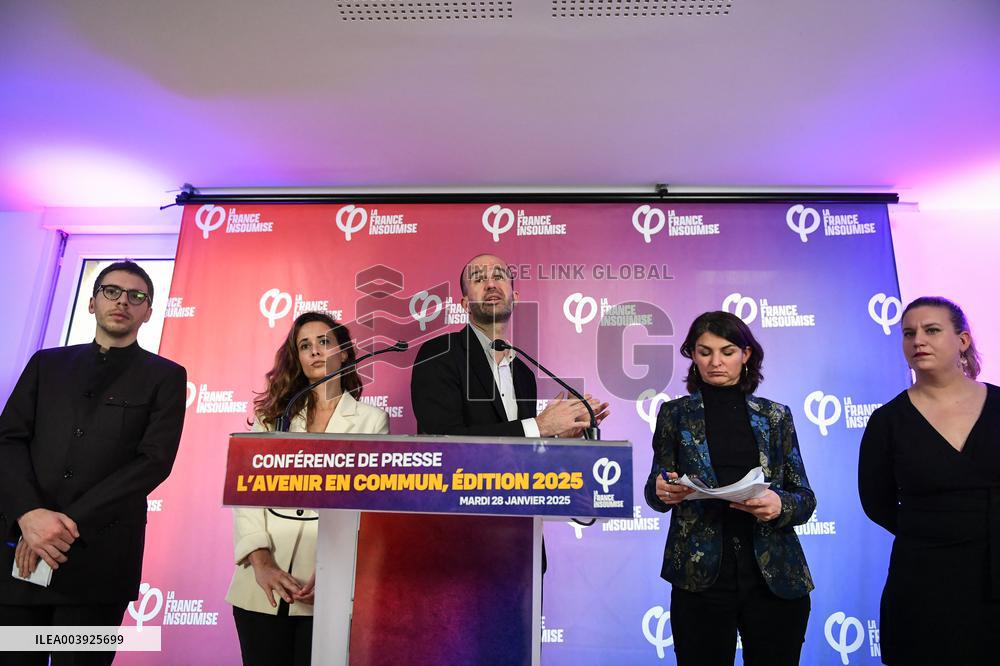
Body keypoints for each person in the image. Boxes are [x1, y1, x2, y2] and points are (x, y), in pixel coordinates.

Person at [0, 260, 187, 666]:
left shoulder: (165, 377)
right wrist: (29, 515)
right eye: (112, 291)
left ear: (148, 312)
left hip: (99, 562)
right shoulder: (46, 365)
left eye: (137, 297)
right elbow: (8, 441)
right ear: (92, 303)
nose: (123, 301)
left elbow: (153, 462)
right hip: (21, 554)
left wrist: (60, 525)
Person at [410, 253, 609, 575]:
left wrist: (559, 436)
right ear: (463, 302)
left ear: (515, 297)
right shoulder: (440, 353)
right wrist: (539, 425)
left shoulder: (524, 374)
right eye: (478, 279)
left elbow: (521, 454)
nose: (490, 283)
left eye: (499, 276)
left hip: (522, 540)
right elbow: (439, 442)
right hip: (461, 540)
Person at [643, 311, 815, 666]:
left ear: (746, 355)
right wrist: (662, 490)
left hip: (774, 578)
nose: (715, 362)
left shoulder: (776, 416)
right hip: (699, 579)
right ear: (692, 355)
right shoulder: (673, 415)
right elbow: (655, 488)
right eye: (704, 352)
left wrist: (779, 505)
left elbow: (805, 498)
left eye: (727, 351)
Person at [226, 312, 389, 666]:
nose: (314, 351)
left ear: (344, 352)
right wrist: (261, 560)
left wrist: (334, 566)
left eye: (324, 342)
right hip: (261, 587)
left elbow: (364, 505)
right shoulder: (273, 417)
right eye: (305, 346)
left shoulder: (370, 421)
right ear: (297, 359)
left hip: (326, 587)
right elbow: (247, 496)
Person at [858, 296, 998, 665]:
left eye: (931, 330)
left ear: (962, 341)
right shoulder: (887, 421)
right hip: (923, 578)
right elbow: (875, 501)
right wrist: (932, 528)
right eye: (908, 333)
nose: (918, 340)